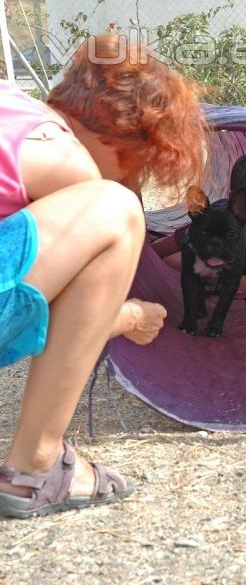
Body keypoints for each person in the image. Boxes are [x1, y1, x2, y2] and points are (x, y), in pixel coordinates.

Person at [0, 33, 206, 518]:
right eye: (135, 169)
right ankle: (37, 464)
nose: (130, 184)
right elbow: (58, 320)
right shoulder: (70, 162)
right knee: (115, 216)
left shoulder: (14, 105)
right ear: (120, 137)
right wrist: (129, 314)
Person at [159, 152, 246, 296]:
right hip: (217, 234)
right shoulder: (224, 219)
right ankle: (144, 249)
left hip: (243, 266)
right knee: (170, 260)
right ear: (235, 201)